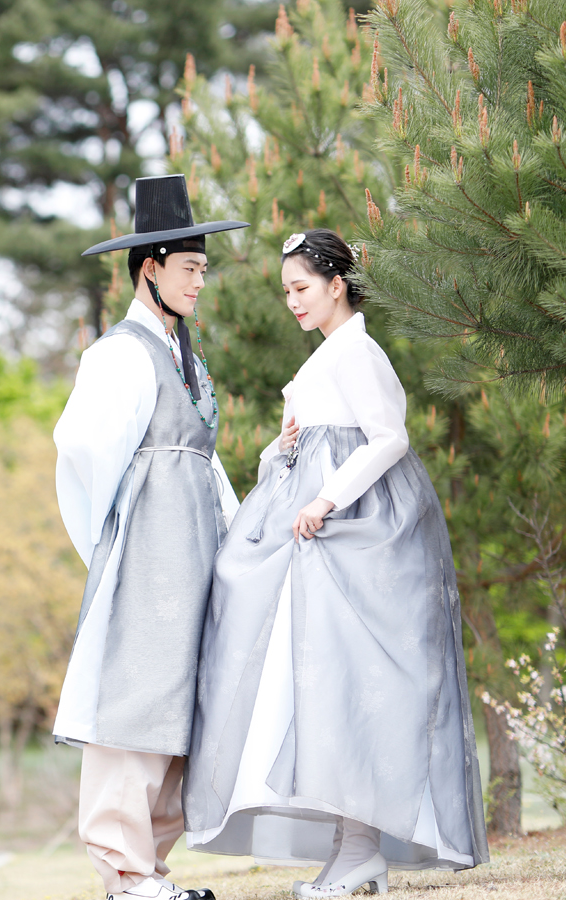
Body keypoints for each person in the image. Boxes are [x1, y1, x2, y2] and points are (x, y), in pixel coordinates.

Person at [182, 229, 489, 897]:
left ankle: (358, 850)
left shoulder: (356, 353)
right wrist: (284, 447)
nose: (292, 301)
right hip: (317, 539)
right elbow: (293, 456)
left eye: (300, 288)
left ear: (335, 285)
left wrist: (325, 497)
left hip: (355, 538)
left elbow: (389, 438)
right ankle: (351, 850)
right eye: (286, 291)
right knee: (321, 684)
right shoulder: (327, 358)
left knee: (352, 683)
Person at [53, 174, 247, 900]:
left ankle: (150, 870)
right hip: (149, 553)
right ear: (151, 268)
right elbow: (82, 454)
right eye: (191, 268)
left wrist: (233, 535)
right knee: (133, 703)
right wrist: (114, 553)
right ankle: (123, 869)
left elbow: (203, 457)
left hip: (192, 551)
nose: (201, 281)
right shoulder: (120, 355)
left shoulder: (181, 355)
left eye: (204, 268)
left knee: (177, 703)